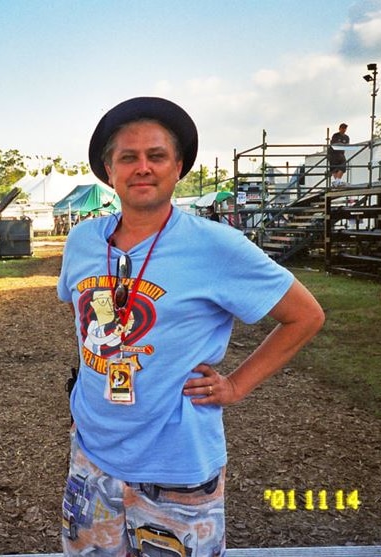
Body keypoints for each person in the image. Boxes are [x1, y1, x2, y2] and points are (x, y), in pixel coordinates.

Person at [57, 97, 324, 557]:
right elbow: (87, 317)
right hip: (91, 459)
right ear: (109, 170)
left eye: (156, 156)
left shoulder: (217, 246)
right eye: (128, 157)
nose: (143, 167)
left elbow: (305, 315)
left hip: (177, 465)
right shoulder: (83, 240)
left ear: (177, 166)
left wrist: (237, 385)